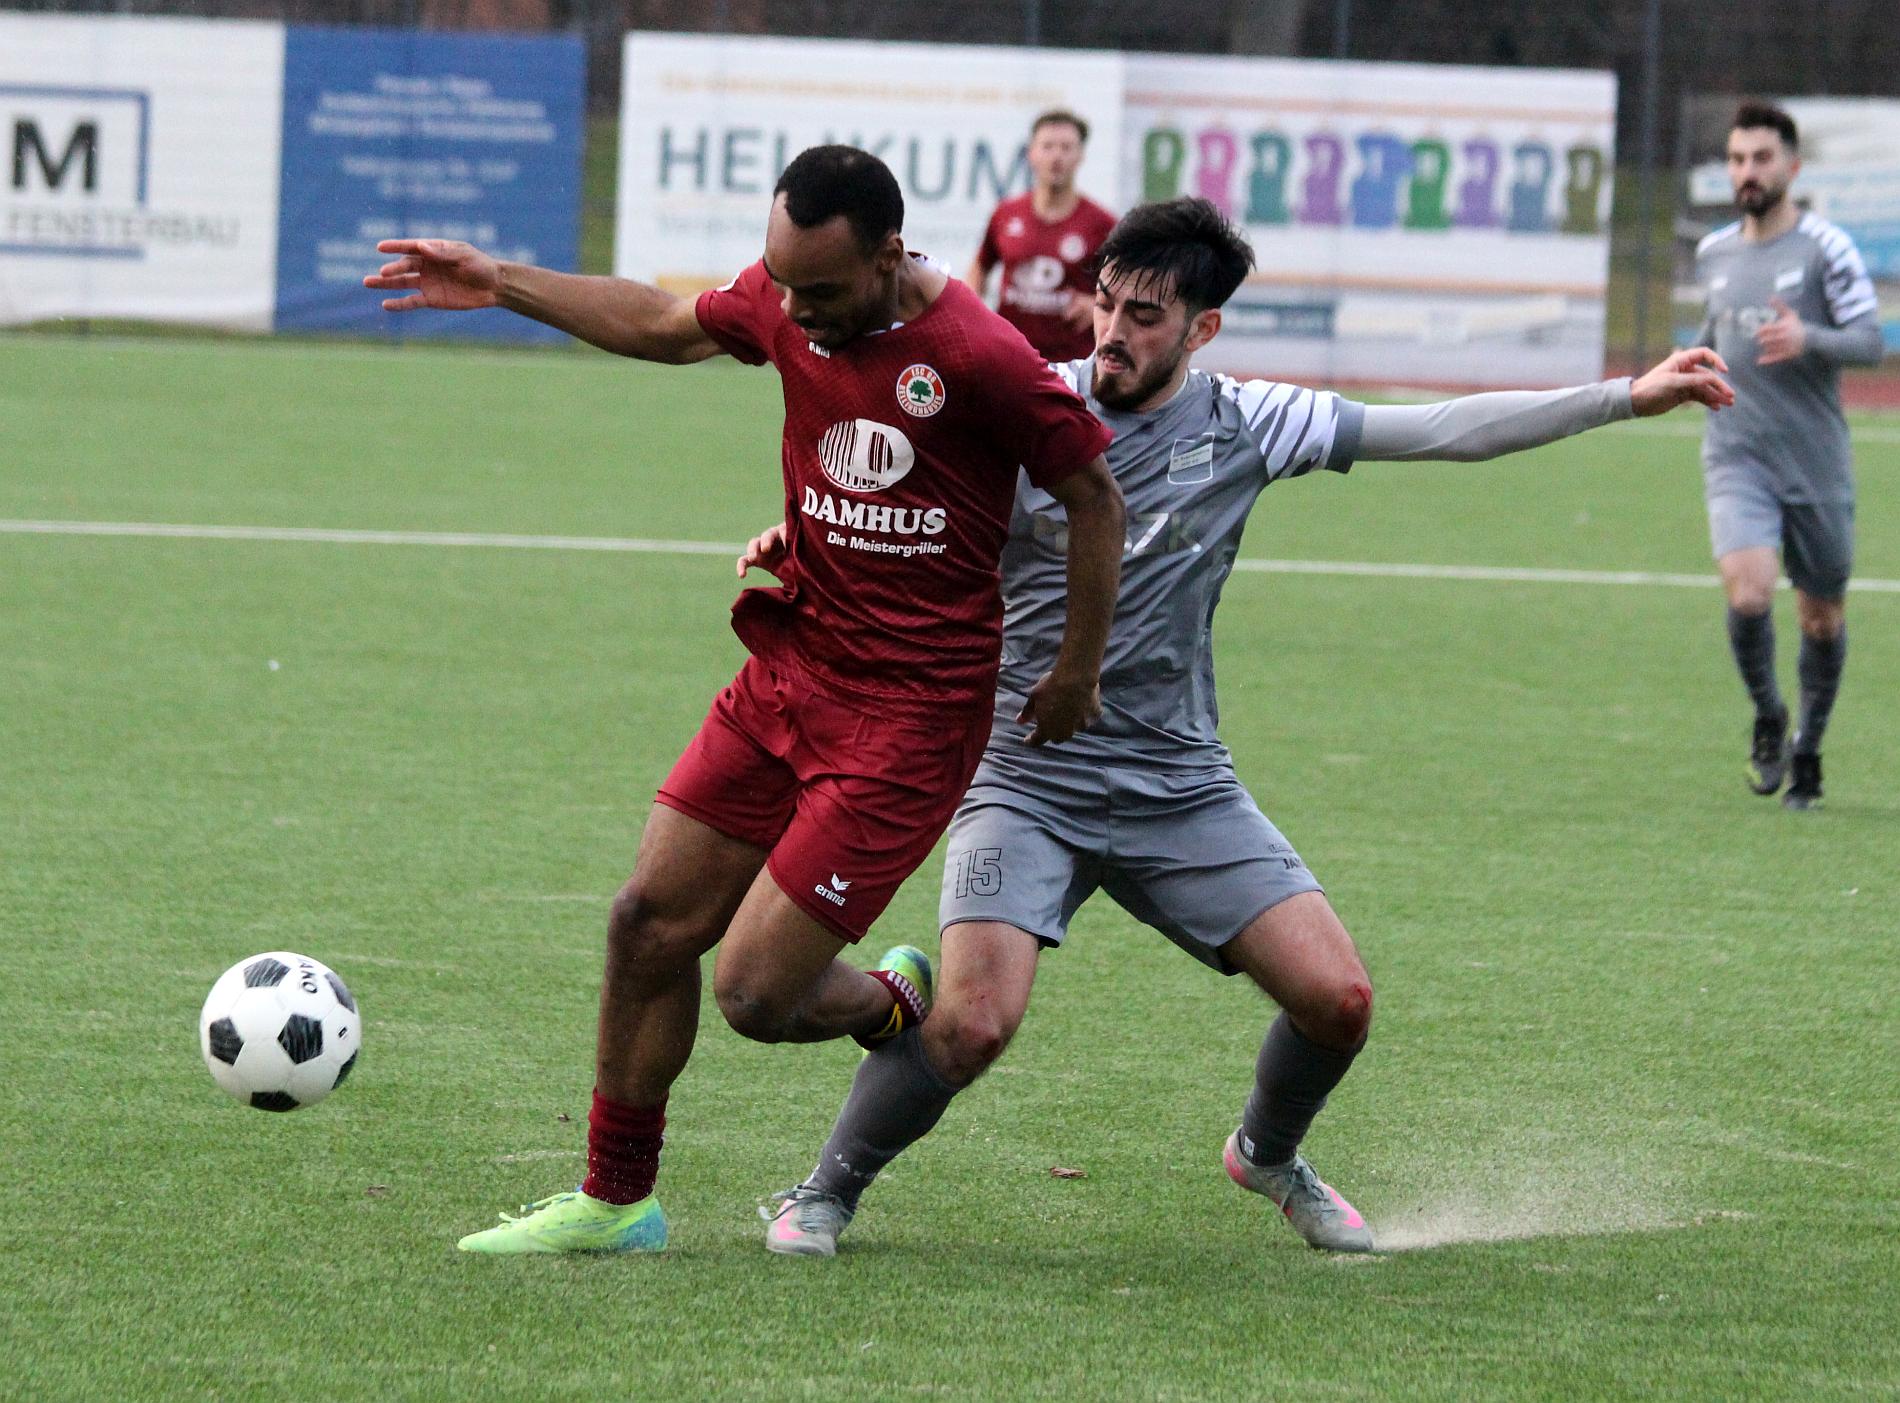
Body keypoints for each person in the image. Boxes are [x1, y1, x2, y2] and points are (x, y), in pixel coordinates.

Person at [741, 197, 1732, 1257]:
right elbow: (900, 503)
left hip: (1178, 781)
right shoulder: (1025, 402)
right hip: (1024, 776)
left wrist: (1626, 397)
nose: (1112, 333)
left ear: (1202, 329)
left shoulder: (1250, 421)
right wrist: (800, 539)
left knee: (1339, 1001)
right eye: (1105, 305)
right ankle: (826, 1189)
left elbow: (1443, 430)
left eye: (1145, 318)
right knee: (974, 1023)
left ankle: (1266, 1153)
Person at [364, 144, 1126, 1254]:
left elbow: (1093, 496)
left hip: (910, 720)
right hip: (791, 667)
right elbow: (661, 324)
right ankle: (617, 1200)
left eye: (821, 291)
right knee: (645, 924)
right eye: (784, 284)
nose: (796, 312)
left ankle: (888, 1002)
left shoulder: (979, 355)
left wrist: (1077, 670)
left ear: (889, 254)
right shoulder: (787, 296)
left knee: (756, 996)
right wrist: (499, 281)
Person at [1695, 101, 1883, 809]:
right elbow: (1714, 334)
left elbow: (1871, 342)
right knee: (1748, 593)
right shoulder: (1714, 252)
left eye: (1761, 159)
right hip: (1737, 454)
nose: (1747, 171)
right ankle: (1770, 714)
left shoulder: (1827, 249)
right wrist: (1689, 370)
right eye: (1737, 159)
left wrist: (1811, 339)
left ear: (1792, 167)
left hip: (1815, 463)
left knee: (1820, 618)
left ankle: (1809, 747)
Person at [966, 109, 1118, 362]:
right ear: (1031, 153)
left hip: (1071, 364)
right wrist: (972, 312)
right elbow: (980, 267)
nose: (1056, 156)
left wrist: (1097, 304)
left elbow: (1126, 290)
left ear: (1080, 155)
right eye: (1048, 146)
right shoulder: (1006, 214)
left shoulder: (1102, 223)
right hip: (1009, 357)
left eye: (1066, 148)